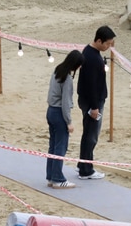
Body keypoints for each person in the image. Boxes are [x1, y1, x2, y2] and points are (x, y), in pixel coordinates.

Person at [75, 25, 115, 180]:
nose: (109, 47)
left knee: (89, 134)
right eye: (107, 44)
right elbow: (91, 84)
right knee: (91, 136)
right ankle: (86, 170)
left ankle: (83, 165)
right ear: (99, 40)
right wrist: (94, 107)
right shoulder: (92, 58)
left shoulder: (91, 52)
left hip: (92, 100)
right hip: (92, 102)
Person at [46, 49, 82, 188]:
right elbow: (66, 102)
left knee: (53, 146)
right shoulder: (67, 78)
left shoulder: (57, 70)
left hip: (50, 110)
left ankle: (51, 176)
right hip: (59, 113)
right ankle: (57, 179)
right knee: (61, 147)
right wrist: (69, 122)